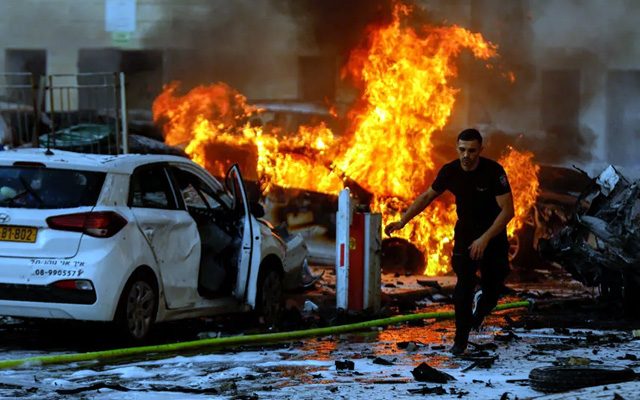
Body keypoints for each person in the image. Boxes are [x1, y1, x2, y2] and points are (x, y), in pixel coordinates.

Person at [385, 128, 514, 355]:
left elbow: (508, 211)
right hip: (465, 234)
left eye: (472, 151)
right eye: (462, 150)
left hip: (492, 236)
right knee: (463, 288)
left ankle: (482, 307)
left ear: (480, 151)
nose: (466, 155)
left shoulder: (493, 172)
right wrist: (402, 221)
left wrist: (484, 239)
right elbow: (427, 196)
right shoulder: (450, 171)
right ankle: (460, 340)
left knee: (494, 288)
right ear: (457, 148)